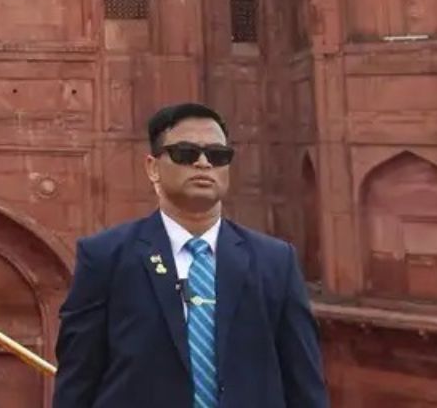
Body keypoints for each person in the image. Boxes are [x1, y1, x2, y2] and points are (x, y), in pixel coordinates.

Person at [53, 102, 327, 408]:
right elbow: (78, 379)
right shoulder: (106, 257)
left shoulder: (275, 262)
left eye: (217, 155)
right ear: (153, 167)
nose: (203, 163)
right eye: (186, 153)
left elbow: (304, 382)